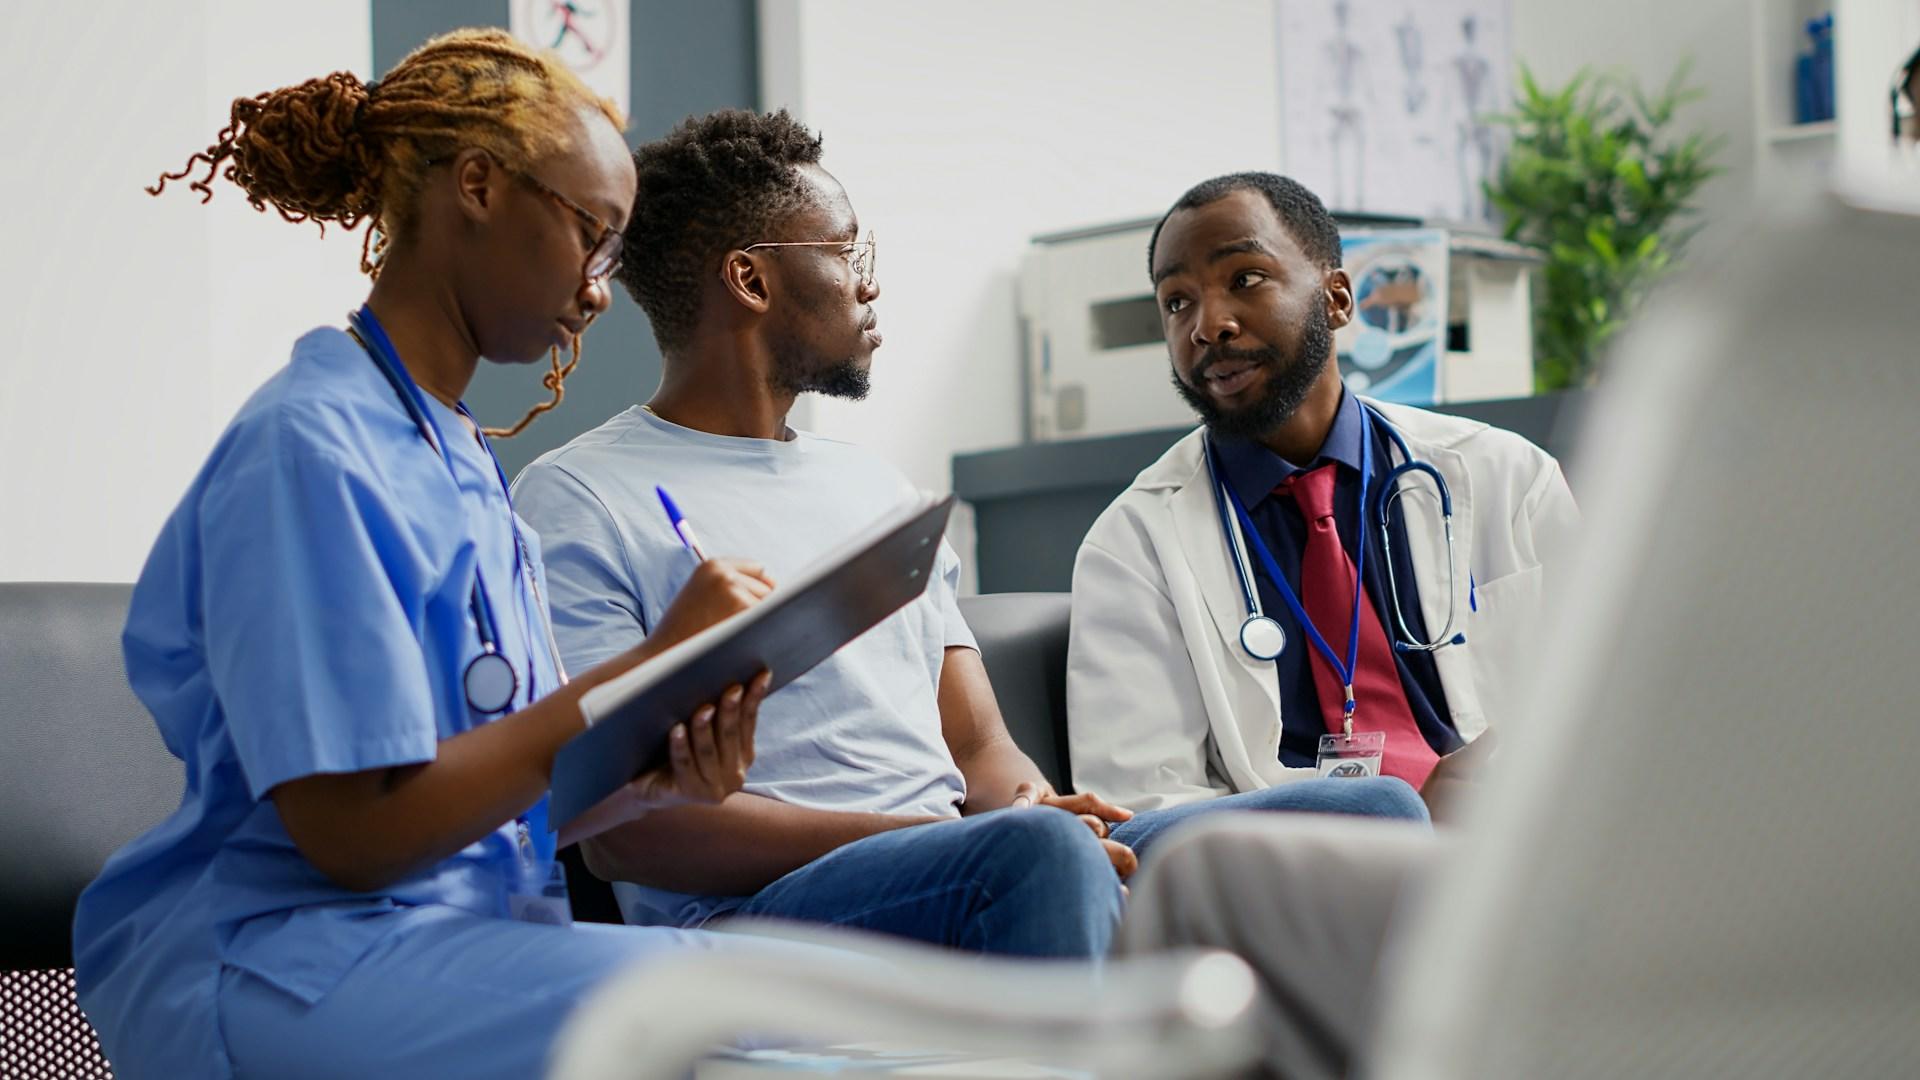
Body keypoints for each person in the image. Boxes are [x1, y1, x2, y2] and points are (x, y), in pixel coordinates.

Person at [511, 112, 1428, 954]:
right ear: (751, 278)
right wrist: (983, 837)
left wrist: (1032, 805)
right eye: (846, 250)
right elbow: (626, 834)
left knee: (1371, 813)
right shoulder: (580, 499)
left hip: (968, 858)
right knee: (1035, 858)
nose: (870, 282)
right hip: (756, 915)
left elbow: (981, 749)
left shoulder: (875, 487)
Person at [71, 31, 797, 1079]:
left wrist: (654, 773)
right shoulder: (309, 447)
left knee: (787, 997)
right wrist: (640, 672)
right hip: (287, 958)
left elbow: (501, 782)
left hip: (453, 939)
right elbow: (354, 836)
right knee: (727, 1009)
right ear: (479, 186)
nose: (599, 292)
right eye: (593, 238)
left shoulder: (455, 457)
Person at [1068, 172, 1579, 821]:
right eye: (1177, 302)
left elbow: (1617, 691)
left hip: (1513, 840)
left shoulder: (1507, 476)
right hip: (1299, 874)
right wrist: (1373, 817)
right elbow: (1140, 802)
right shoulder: (1133, 546)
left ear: (1337, 298)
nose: (1209, 325)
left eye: (1245, 280)